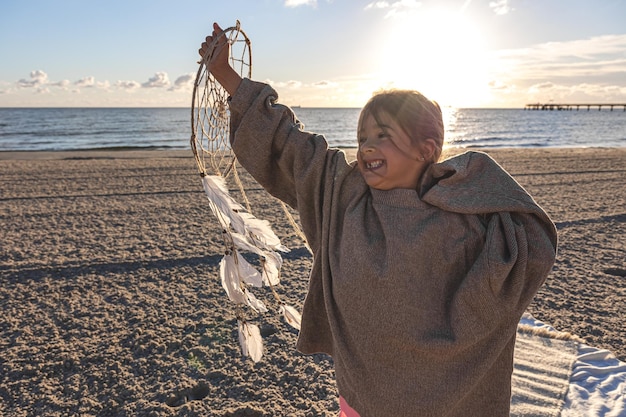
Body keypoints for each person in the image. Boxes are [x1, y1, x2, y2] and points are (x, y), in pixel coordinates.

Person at [199, 23, 557, 417]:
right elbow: (292, 147)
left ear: (428, 149)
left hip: (450, 400)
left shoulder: (464, 214)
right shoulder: (343, 194)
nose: (367, 144)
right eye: (363, 134)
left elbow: (522, 251)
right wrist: (226, 76)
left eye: (384, 134)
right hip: (363, 397)